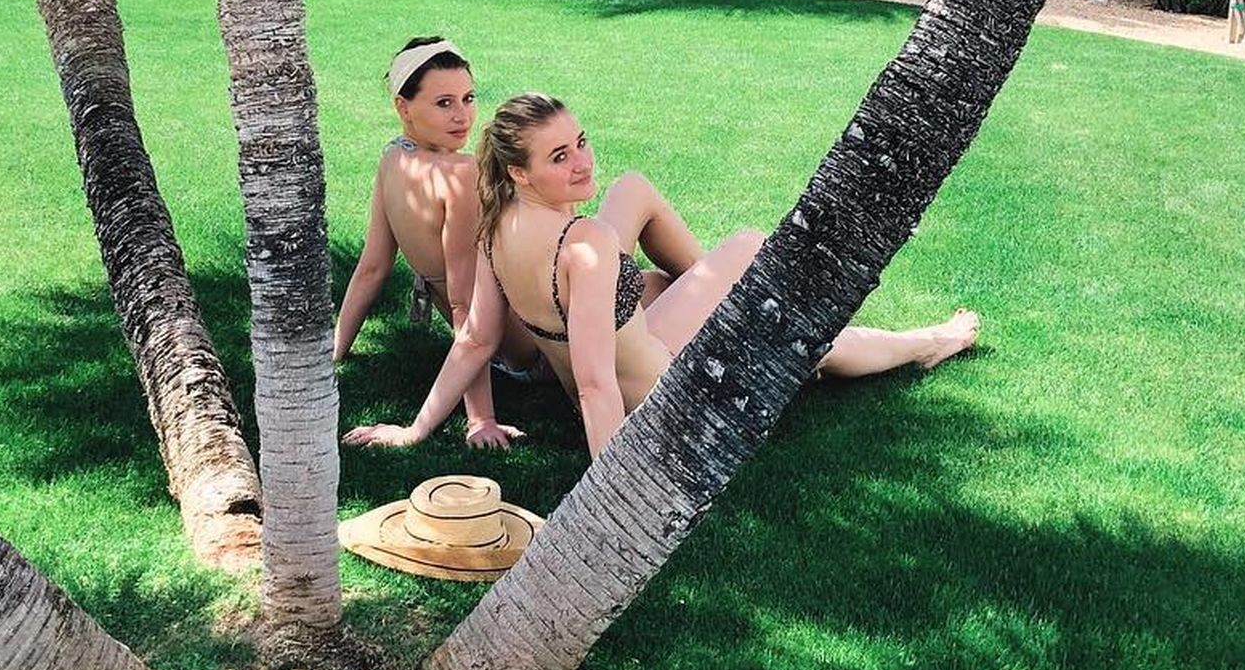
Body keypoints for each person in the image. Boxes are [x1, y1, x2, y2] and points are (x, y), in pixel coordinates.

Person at [344, 92, 978, 460]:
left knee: (635, 191)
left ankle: (758, 312)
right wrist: (607, 493)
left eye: (581, 142)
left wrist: (414, 431)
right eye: (559, 157)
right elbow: (596, 388)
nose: (581, 162)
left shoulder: (495, 223)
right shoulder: (585, 244)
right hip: (662, 386)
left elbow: (475, 340)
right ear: (519, 172)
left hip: (631, 356)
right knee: (770, 280)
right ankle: (927, 343)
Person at [332, 39, 538, 450]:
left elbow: (373, 267)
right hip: (540, 346)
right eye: (444, 103)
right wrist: (481, 419)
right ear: (403, 107)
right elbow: (465, 304)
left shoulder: (393, 158)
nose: (463, 115)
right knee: (645, 229)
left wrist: (334, 352)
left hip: (523, 334)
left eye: (468, 98)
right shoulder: (460, 175)